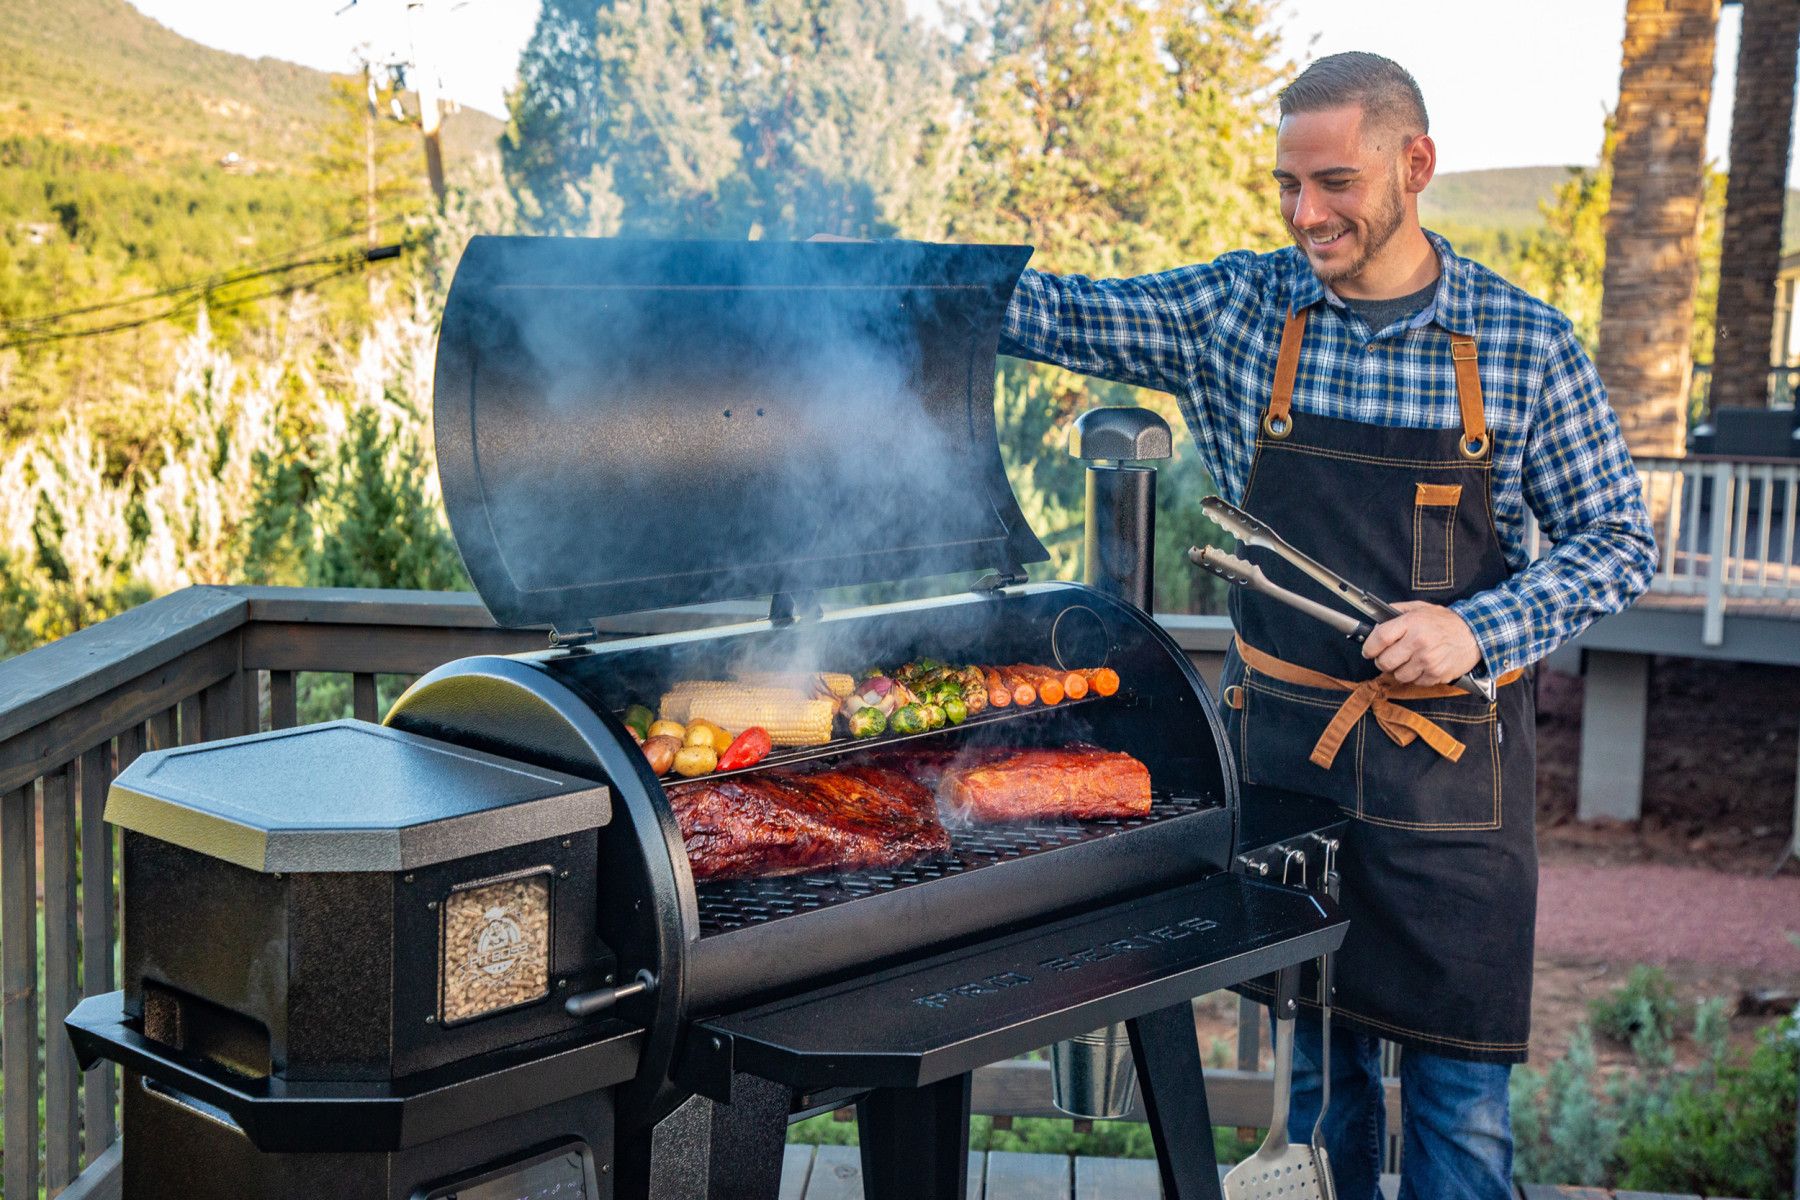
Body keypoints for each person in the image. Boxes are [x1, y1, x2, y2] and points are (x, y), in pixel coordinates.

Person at [999, 51, 1655, 1200]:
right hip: (1292, 778)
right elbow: (1055, 312)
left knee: (1460, 1118)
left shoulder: (1524, 345)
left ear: (1416, 165)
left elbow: (1619, 540)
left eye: (1336, 183)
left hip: (1451, 804)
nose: (1307, 214)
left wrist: (1478, 630)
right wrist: (869, 280)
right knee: (1318, 1092)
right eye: (1289, 185)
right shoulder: (1239, 312)